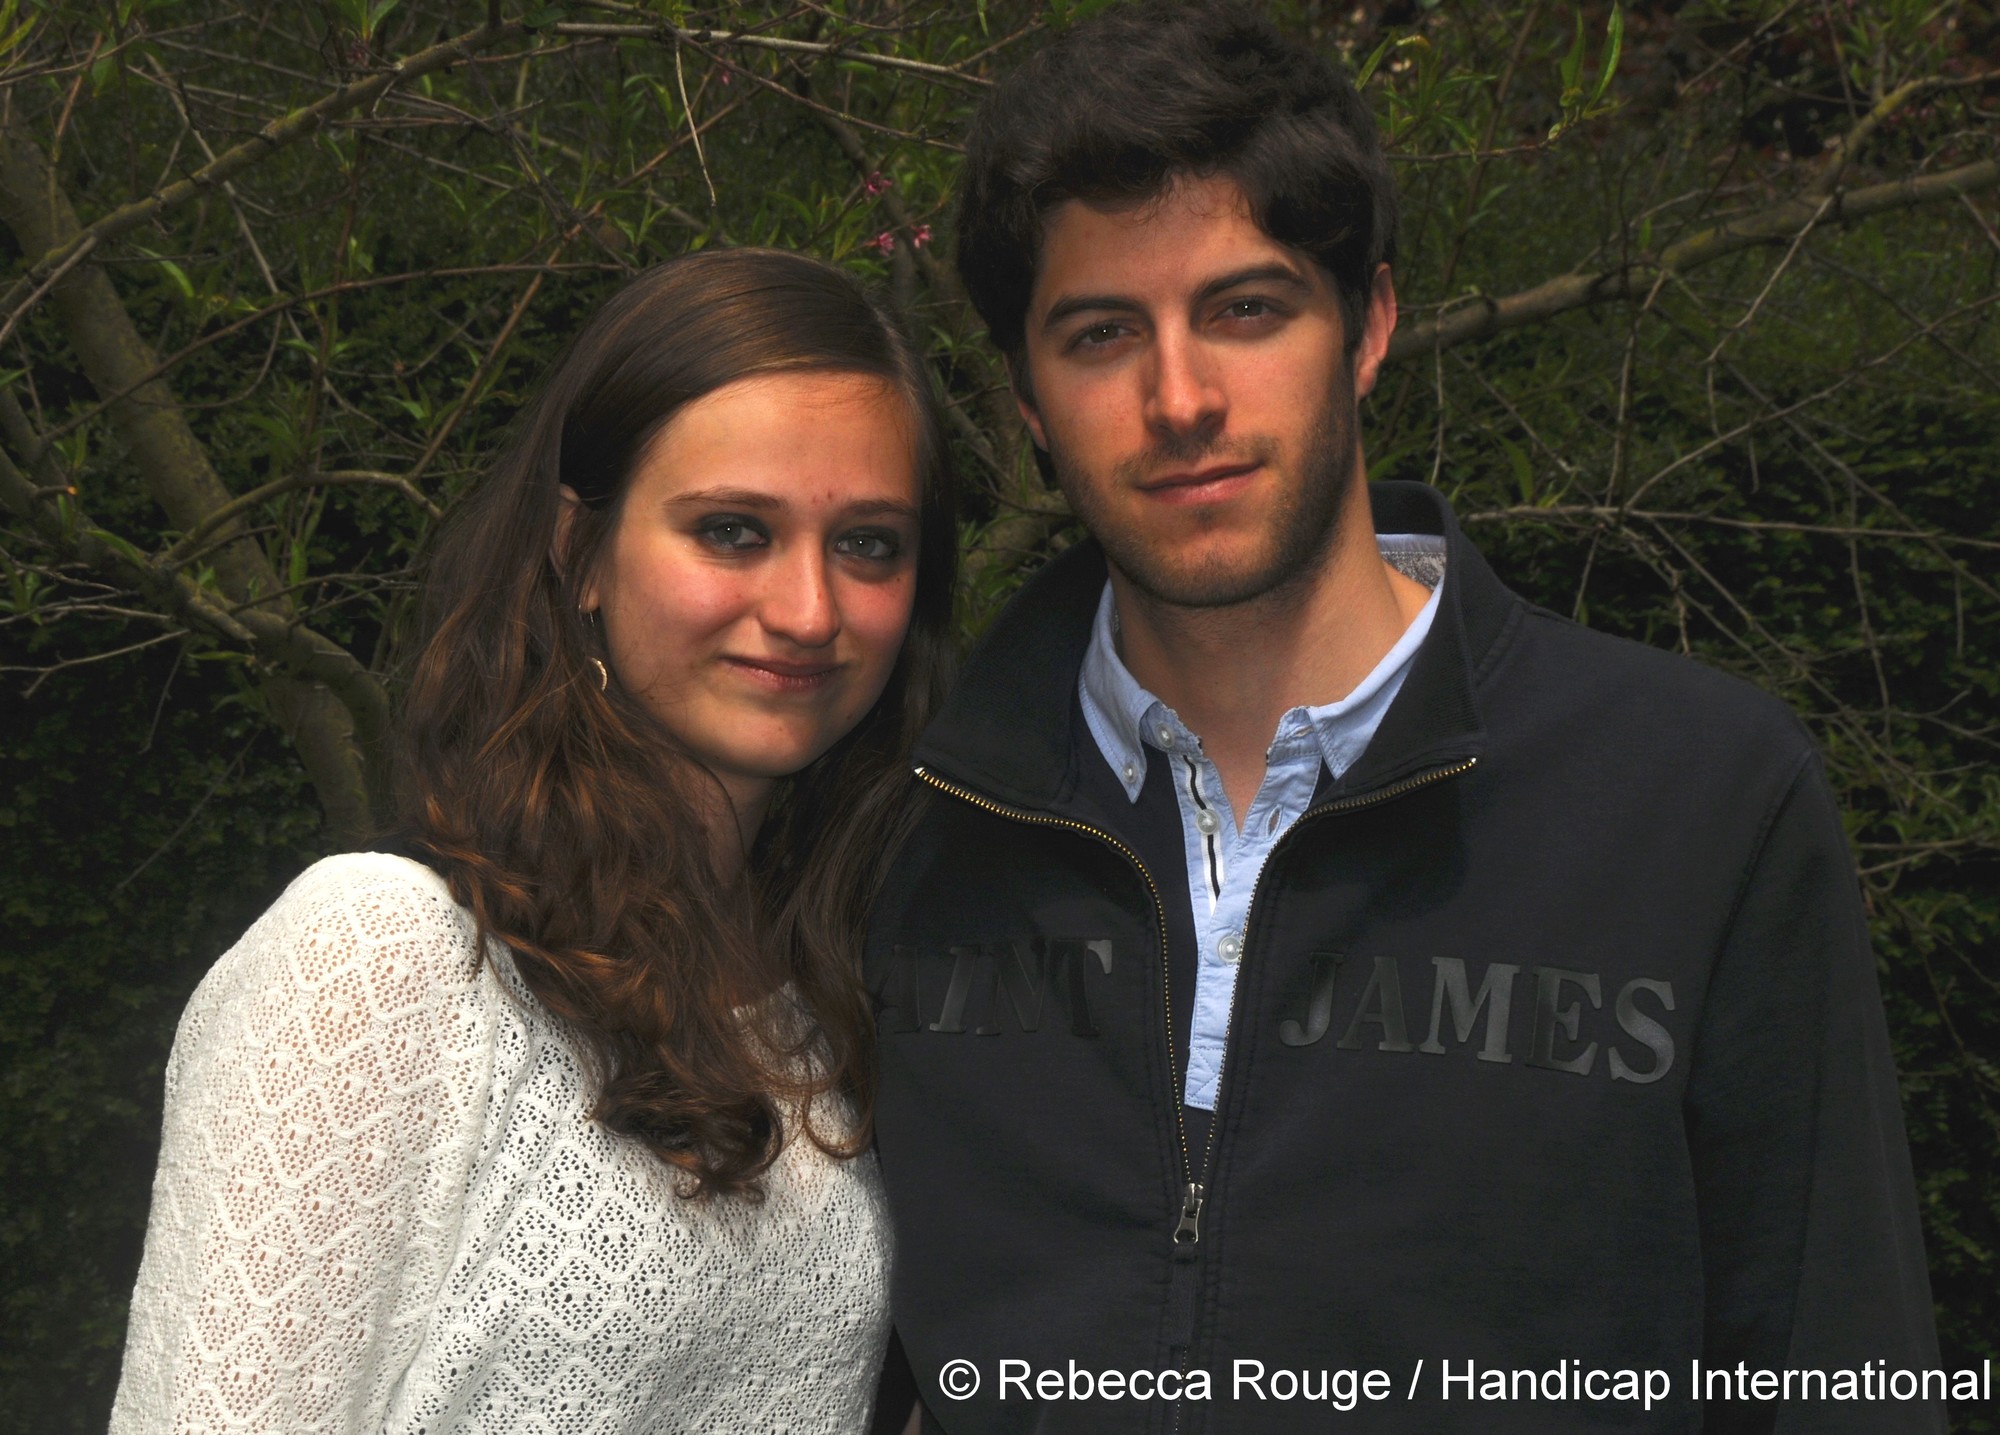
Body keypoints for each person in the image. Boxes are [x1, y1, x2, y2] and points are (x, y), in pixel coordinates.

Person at [863, 5, 1942, 1432]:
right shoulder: (917, 821)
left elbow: (1834, 1367)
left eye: (1247, 308)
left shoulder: (1700, 799)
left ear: (1367, 325)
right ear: (1028, 400)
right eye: (1101, 331)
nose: (1179, 396)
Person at [109, 247, 958, 1434]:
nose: (809, 609)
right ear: (579, 554)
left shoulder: (833, 993)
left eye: (867, 542)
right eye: (730, 530)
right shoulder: (388, 954)